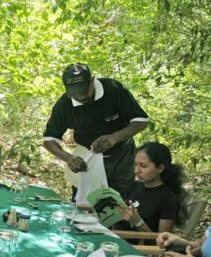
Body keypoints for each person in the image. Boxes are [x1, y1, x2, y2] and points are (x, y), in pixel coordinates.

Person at [43, 63, 149, 197]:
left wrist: (114, 137)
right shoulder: (64, 105)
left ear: (92, 81)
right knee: (84, 202)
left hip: (121, 158)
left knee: (120, 203)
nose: (81, 98)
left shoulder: (113, 89)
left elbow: (141, 121)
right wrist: (68, 158)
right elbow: (49, 140)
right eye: (75, 94)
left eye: (84, 92)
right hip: (87, 159)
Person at [114, 142, 183, 233]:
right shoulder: (135, 186)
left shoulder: (168, 200)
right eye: (135, 164)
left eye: (143, 166)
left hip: (135, 244)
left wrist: (138, 222)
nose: (136, 171)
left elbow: (161, 242)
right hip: (114, 236)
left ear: (160, 168)